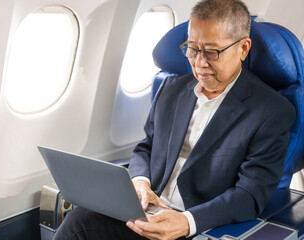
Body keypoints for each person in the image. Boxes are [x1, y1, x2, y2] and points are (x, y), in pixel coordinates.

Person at [53, 0, 296, 239]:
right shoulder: (171, 88)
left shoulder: (271, 112)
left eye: (211, 52)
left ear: (243, 48)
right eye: (192, 49)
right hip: (149, 213)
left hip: (197, 226)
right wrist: (140, 183)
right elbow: (146, 148)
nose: (200, 63)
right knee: (79, 221)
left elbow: (249, 195)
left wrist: (187, 222)